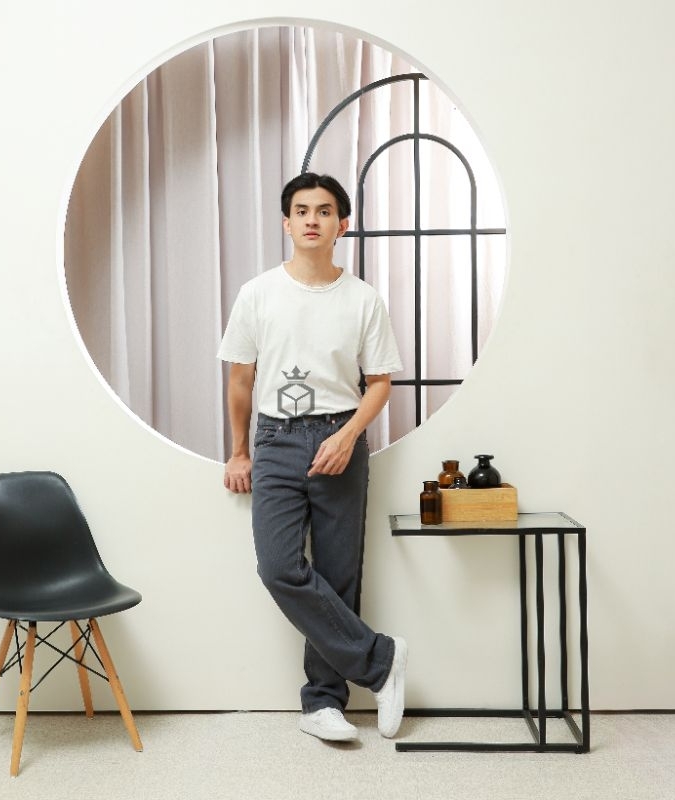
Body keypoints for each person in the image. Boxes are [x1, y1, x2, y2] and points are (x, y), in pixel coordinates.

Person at [218, 172, 407, 743]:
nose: (311, 220)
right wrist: (239, 451)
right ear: (286, 222)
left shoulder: (363, 299)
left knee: (338, 573)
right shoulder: (258, 293)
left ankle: (324, 704)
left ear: (341, 225)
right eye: (301, 210)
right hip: (275, 441)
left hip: (339, 437)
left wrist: (347, 436)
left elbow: (379, 382)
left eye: (324, 211)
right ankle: (381, 659)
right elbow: (241, 380)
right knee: (279, 566)